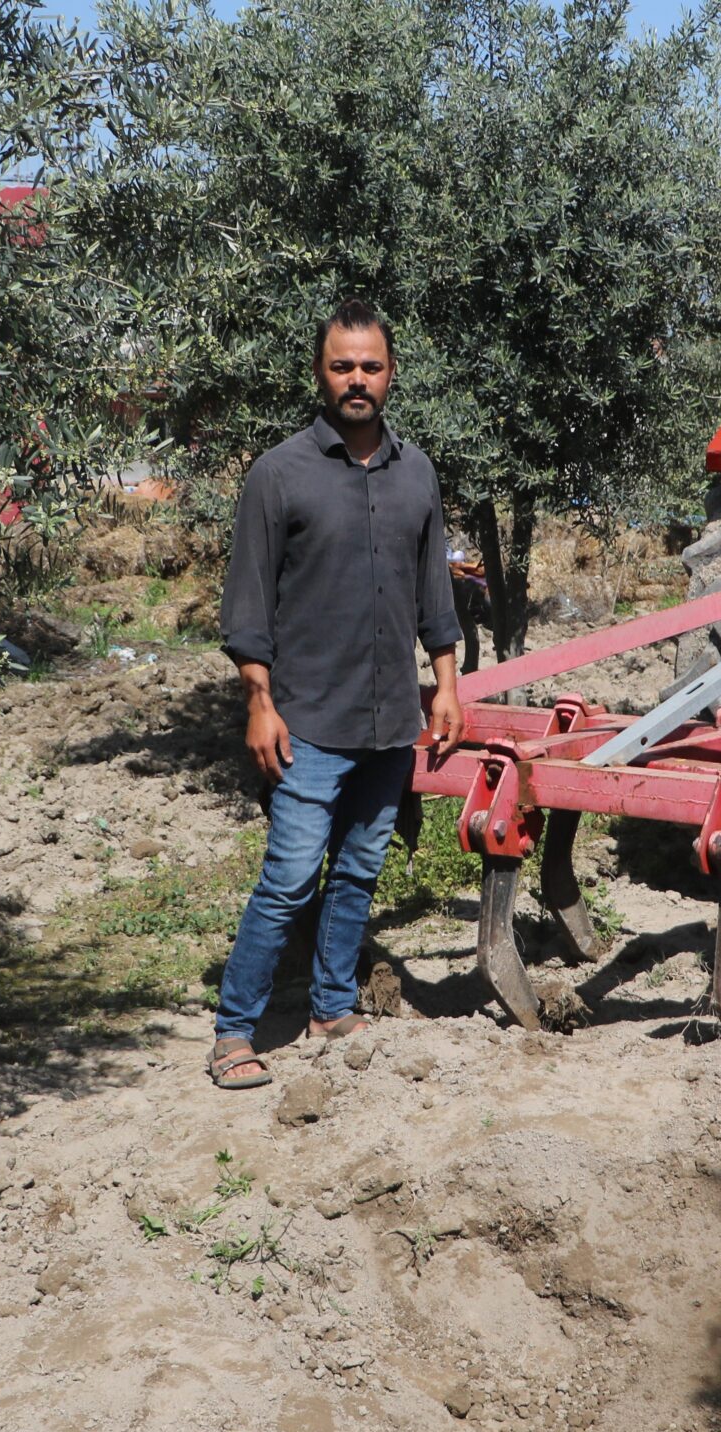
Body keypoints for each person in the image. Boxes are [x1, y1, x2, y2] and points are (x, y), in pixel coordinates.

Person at [207, 300, 464, 1090]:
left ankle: (329, 1005)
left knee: (357, 871)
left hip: (390, 722)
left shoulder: (415, 470)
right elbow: (246, 607)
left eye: (371, 366)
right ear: (320, 373)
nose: (357, 380)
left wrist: (447, 686)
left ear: (391, 374)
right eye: (342, 365)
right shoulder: (279, 473)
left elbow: (434, 595)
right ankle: (234, 1032)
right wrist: (260, 700)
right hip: (308, 720)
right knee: (288, 877)